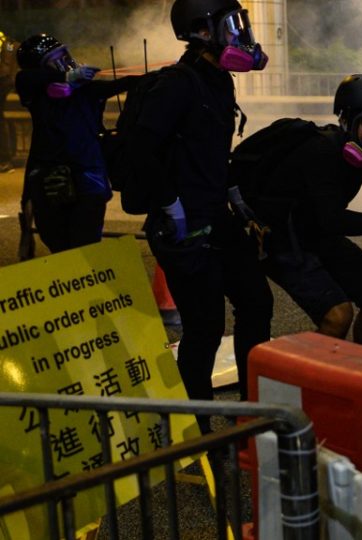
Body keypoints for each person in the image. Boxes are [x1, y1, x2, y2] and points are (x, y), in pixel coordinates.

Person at [125, 0, 273, 420]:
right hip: (184, 227)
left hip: (216, 217)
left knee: (257, 302)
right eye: (231, 25)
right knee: (205, 328)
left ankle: (250, 402)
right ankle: (199, 423)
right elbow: (141, 150)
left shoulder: (220, 82)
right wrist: (169, 205)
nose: (240, 33)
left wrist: (238, 202)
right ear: (202, 32)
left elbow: (212, 154)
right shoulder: (178, 84)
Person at [234, 74, 362, 347]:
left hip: (315, 234)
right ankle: (289, 383)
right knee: (337, 317)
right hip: (282, 240)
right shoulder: (321, 152)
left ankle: (361, 372)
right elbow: (334, 220)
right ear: (346, 123)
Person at [15, 34, 140, 254]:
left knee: (86, 245)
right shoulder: (36, 93)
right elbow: (25, 79)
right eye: (55, 60)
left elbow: (124, 83)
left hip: (88, 179)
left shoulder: (85, 90)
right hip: (51, 182)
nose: (65, 63)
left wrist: (160, 76)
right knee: (60, 246)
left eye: (64, 56)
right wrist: (66, 77)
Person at [0, 31, 18, 173]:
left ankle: (5, 159)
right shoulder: (6, 40)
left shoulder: (5, 42)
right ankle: (6, 158)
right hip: (6, 82)